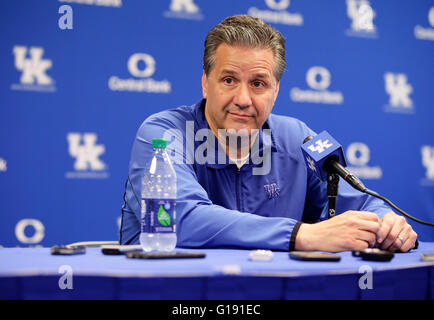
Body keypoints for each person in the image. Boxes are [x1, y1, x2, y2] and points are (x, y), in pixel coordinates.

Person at [120, 14, 418, 253]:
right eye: (228, 79)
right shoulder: (162, 134)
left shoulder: (298, 137)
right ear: (205, 83)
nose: (243, 99)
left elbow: (360, 202)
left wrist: (388, 225)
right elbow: (175, 218)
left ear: (275, 92)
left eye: (258, 84)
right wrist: (301, 235)